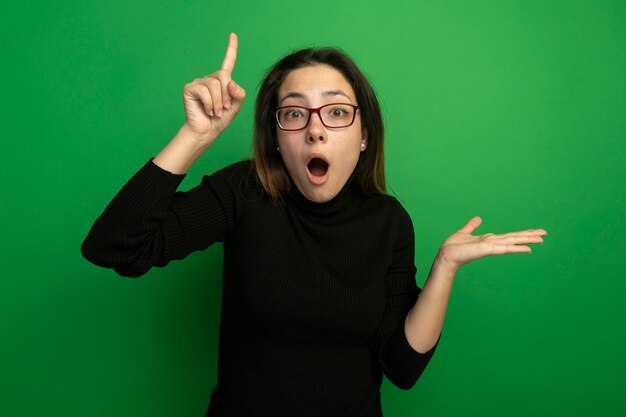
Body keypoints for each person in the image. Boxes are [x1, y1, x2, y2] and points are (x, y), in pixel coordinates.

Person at [82, 33, 547, 417]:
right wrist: (195, 136)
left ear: (364, 137)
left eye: (337, 111)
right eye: (294, 112)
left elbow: (402, 369)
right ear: (277, 138)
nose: (315, 128)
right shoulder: (245, 191)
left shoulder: (388, 221)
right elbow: (116, 247)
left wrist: (443, 268)